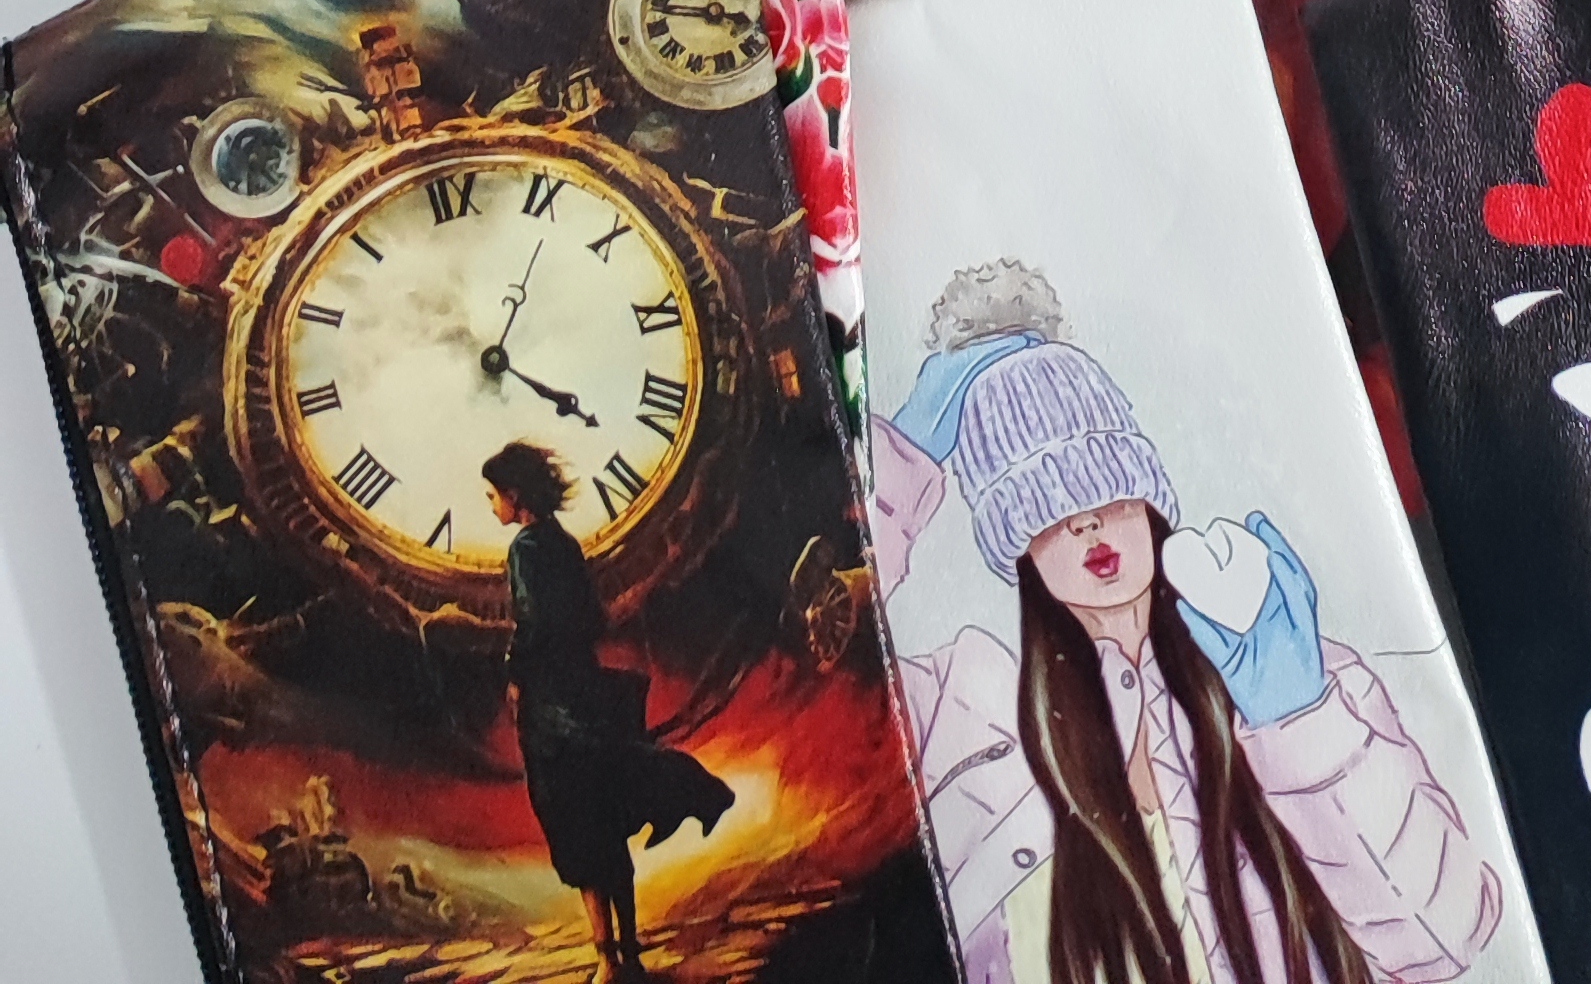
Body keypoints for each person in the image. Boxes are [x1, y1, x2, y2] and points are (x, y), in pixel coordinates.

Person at [869, 264, 1501, 984]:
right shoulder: (960, 714)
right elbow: (795, 706)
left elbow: (1452, 936)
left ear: (1149, 496)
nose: (1088, 522)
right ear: (1015, 544)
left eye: (1108, 487)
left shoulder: (1296, 681)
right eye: (1045, 506)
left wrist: (1303, 726)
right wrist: (897, 465)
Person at [484, 440, 731, 984]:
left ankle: (605, 960)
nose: (491, 505)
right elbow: (592, 620)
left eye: (494, 495)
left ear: (516, 496)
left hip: (551, 710)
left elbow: (531, 623)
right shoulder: (566, 544)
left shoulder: (525, 549)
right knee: (609, 827)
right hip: (587, 691)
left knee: (575, 830)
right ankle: (630, 953)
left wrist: (517, 676)